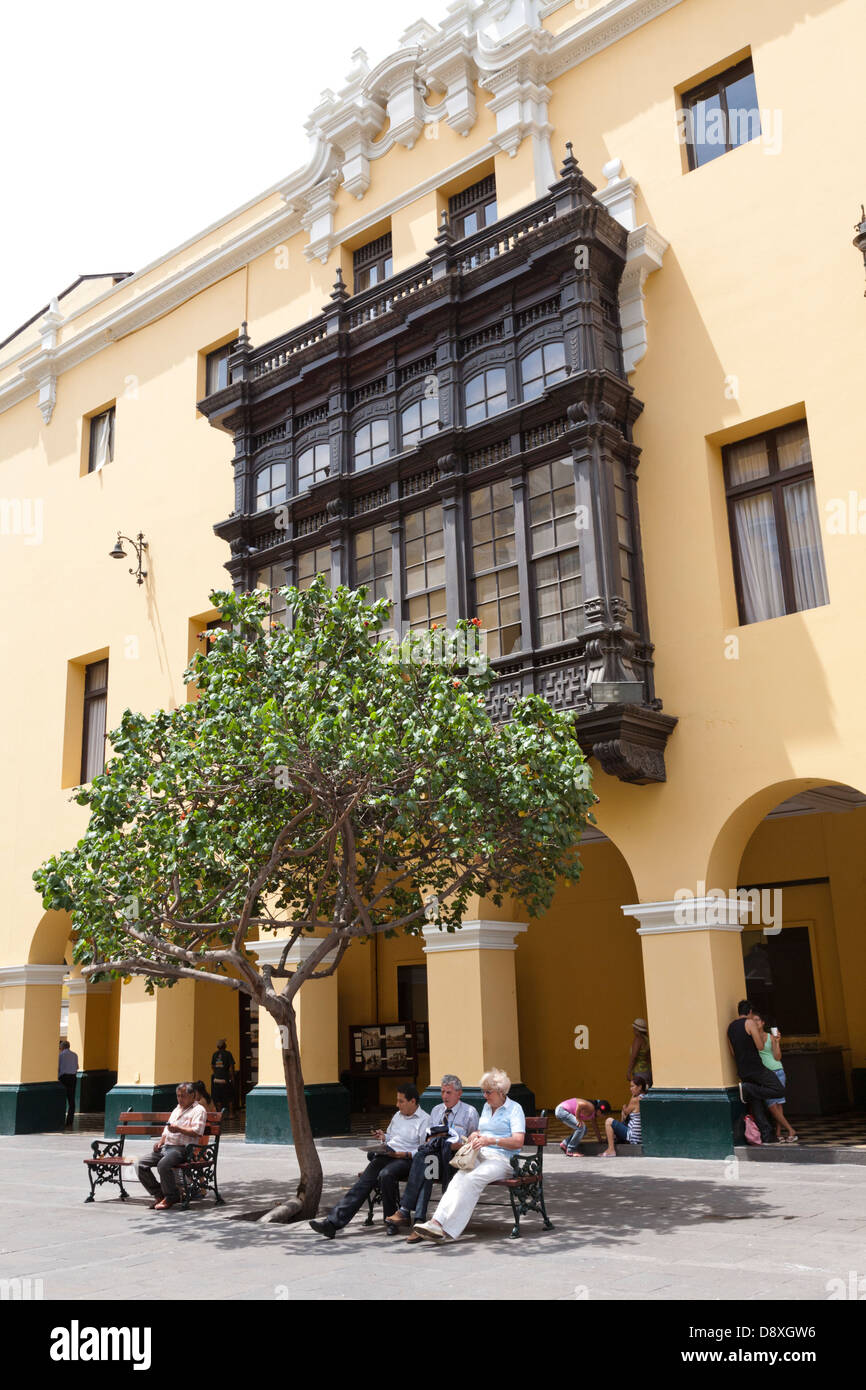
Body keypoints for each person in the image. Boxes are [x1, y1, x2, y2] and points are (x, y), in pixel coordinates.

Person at [413, 1068, 525, 1244]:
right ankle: (436, 1222)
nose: (485, 1096)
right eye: (483, 1091)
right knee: (459, 1178)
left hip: (503, 1159)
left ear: (501, 1092)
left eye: (488, 1092)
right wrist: (476, 1134)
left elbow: (518, 1141)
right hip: (481, 1154)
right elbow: (484, 1130)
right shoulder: (488, 1108)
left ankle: (447, 1229)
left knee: (473, 1179)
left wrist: (491, 1140)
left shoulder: (514, 1109)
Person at [310, 1084, 429, 1239]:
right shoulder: (398, 1116)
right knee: (362, 1184)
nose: (397, 1105)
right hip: (388, 1154)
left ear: (413, 1101)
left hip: (407, 1159)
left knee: (386, 1174)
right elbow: (392, 1136)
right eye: (397, 1101)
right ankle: (332, 1223)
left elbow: (423, 1149)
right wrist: (384, 1137)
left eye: (401, 1101)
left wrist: (403, 1154)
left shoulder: (425, 1119)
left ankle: (391, 1221)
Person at [385, 1074, 479, 1240]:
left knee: (426, 1164)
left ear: (459, 1093)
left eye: (449, 1092)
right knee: (427, 1163)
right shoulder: (436, 1111)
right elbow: (429, 1139)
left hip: (456, 1160)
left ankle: (407, 1212)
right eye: (442, 1092)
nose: (444, 1096)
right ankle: (419, 1222)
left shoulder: (470, 1112)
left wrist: (458, 1144)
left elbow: (473, 1141)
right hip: (436, 1158)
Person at [137, 1082, 207, 1210]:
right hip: (167, 1147)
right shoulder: (177, 1109)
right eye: (178, 1096)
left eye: (183, 1096)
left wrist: (179, 1129)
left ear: (192, 1095)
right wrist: (160, 1142)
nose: (180, 1099)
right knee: (140, 1164)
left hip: (183, 1149)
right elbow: (167, 1129)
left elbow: (198, 1131)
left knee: (163, 1165)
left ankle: (171, 1196)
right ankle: (159, 1194)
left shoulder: (199, 1110)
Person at [727, 1000, 785, 1144]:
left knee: (756, 1103)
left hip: (742, 1069)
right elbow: (759, 1046)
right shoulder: (749, 1023)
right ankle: (749, 1089)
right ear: (750, 1012)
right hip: (756, 1068)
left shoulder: (730, 1027)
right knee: (778, 1089)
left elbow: (732, 1052)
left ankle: (766, 1135)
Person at [753, 1010, 798, 1144]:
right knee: (772, 1104)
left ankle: (782, 1132)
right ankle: (788, 1130)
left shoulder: (770, 1037)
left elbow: (777, 1057)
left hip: (777, 1071)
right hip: (765, 1074)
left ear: (762, 1023)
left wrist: (777, 1042)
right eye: (753, 1020)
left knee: (777, 1104)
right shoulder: (751, 1037)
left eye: (757, 1020)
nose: (755, 1023)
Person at [600, 1076, 647, 1155]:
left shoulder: (635, 1100)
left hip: (633, 1135)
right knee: (618, 1125)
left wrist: (624, 1107)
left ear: (640, 1087)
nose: (630, 1089)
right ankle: (616, 1141)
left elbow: (626, 1112)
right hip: (640, 1136)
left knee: (609, 1121)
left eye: (632, 1086)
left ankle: (611, 1149)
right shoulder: (645, 1097)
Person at [210, 1040, 236, 1118]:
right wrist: (232, 1078)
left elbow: (212, 1066)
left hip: (216, 1079)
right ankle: (231, 1114)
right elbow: (231, 1067)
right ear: (225, 1046)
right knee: (230, 1096)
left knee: (218, 1098)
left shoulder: (214, 1054)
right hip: (225, 1079)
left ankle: (220, 1116)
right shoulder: (228, 1054)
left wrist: (217, 1072)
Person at [58, 1040, 79, 1128]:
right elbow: (77, 1067)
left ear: (62, 1047)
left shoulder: (61, 1055)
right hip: (73, 1078)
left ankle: (60, 1119)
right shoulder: (75, 1055)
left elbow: (58, 1067)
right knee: (71, 1100)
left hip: (63, 1078)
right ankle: (69, 1121)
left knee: (61, 1099)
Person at [627, 1018, 652, 1085]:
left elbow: (634, 1056)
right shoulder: (646, 1039)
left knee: (639, 1093)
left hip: (639, 1072)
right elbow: (648, 1057)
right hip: (648, 1071)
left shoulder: (638, 1039)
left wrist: (629, 1071)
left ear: (636, 1029)